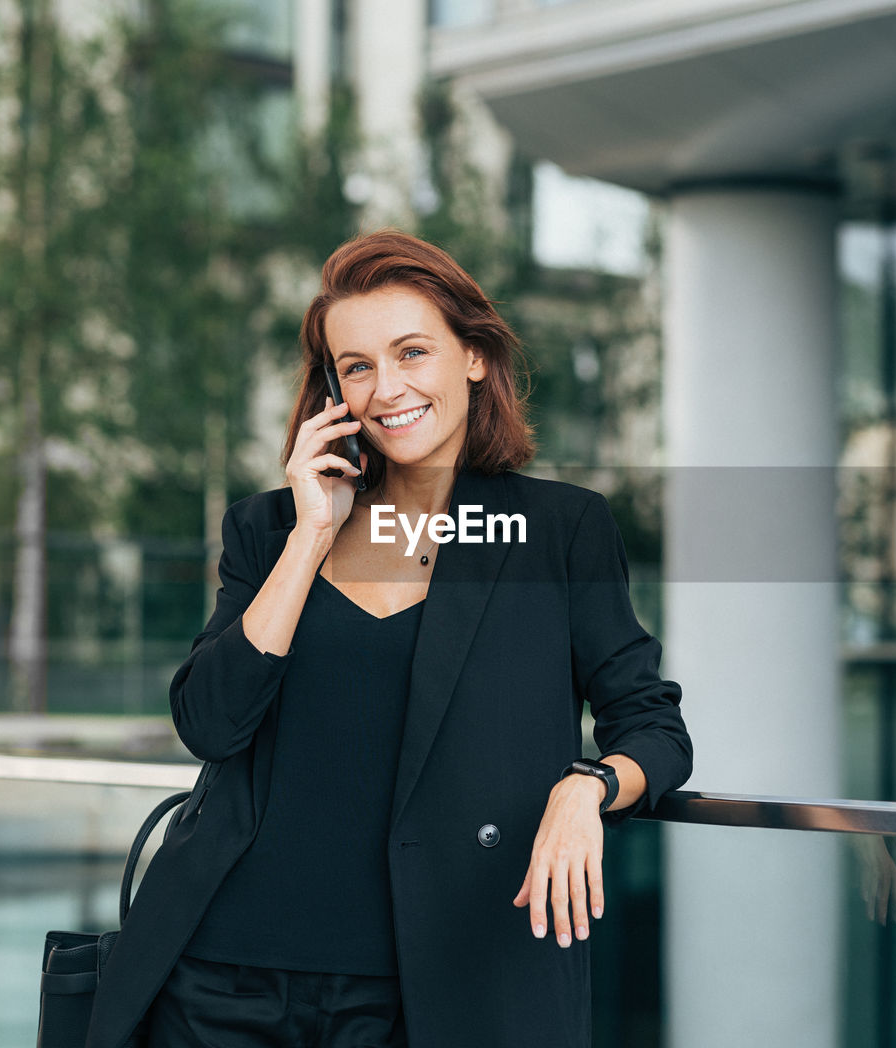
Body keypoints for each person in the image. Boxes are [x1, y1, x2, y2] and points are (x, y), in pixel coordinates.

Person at [84, 229, 693, 1048]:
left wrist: (586, 786)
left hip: (434, 987)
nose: (386, 388)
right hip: (218, 977)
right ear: (332, 388)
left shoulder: (558, 531)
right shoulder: (268, 528)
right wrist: (310, 538)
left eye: (412, 352)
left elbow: (651, 723)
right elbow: (210, 724)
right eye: (357, 366)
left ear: (473, 357)